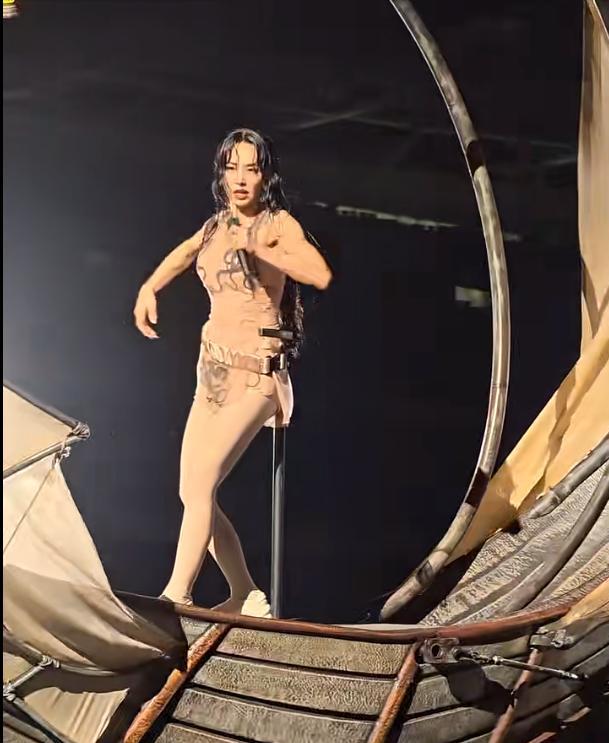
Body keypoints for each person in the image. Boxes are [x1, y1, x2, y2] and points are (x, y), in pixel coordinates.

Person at [133, 128, 332, 616]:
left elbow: (319, 274)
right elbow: (185, 253)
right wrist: (150, 288)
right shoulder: (215, 225)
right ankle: (245, 593)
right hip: (213, 373)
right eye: (232, 167)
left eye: (252, 168)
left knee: (202, 483)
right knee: (191, 490)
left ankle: (176, 595)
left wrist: (262, 249)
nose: (241, 178)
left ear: (265, 176)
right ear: (221, 173)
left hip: (256, 377)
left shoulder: (276, 223)